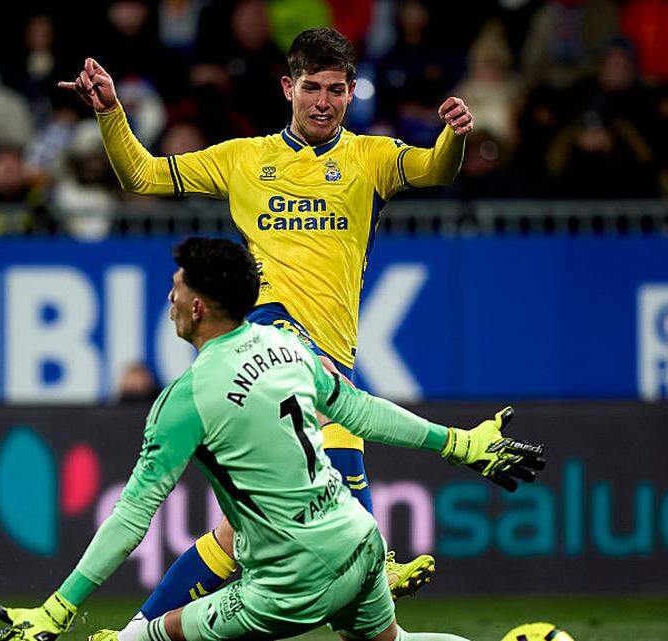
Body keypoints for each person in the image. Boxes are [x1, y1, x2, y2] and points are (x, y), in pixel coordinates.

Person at [58, 27, 474, 614]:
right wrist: (111, 115)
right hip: (264, 341)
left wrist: (454, 138)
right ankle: (373, 548)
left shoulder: (372, 159)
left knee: (240, 537)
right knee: (321, 396)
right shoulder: (244, 158)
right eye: (311, 88)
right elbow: (143, 178)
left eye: (335, 90)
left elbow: (437, 170)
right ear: (288, 88)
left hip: (331, 354)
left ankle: (137, 631)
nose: (323, 102)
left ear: (352, 92)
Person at [0, 237, 546, 641]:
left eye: (176, 289)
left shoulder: (186, 399)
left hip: (290, 583)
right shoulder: (291, 347)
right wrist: (460, 444)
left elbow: (133, 516)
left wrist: (59, 609)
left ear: (197, 307)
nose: (170, 298)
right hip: (359, 541)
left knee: (139, 639)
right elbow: (364, 412)